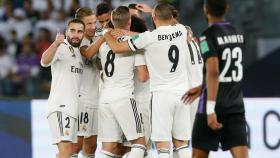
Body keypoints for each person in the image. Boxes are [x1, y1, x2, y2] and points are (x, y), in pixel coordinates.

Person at [102, 3, 193, 158]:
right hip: (183, 94)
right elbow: (177, 24)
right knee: (181, 144)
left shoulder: (148, 38)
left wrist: (105, 33)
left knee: (162, 145)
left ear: (154, 18)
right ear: (171, 17)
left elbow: (117, 48)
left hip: (161, 96)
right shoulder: (182, 30)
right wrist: (154, 11)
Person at [186, 0, 249, 157]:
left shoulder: (206, 37)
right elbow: (227, 70)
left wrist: (210, 110)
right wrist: (202, 87)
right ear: (226, 8)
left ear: (205, 9)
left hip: (212, 106)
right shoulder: (237, 33)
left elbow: (213, 71)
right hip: (235, 106)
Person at [97, 6, 148, 158]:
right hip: (124, 97)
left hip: (105, 98)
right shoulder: (134, 43)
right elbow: (143, 77)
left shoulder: (104, 44)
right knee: (140, 143)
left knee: (109, 148)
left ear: (112, 21)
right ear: (130, 21)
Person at [41, 18, 85, 158]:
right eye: (72, 31)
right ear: (66, 32)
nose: (75, 34)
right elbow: (44, 61)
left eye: (79, 31)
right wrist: (55, 44)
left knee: (69, 152)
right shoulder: (61, 47)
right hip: (61, 107)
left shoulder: (81, 52)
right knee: (66, 149)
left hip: (73, 108)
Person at [73, 7, 99, 158]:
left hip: (96, 96)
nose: (93, 27)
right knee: (76, 143)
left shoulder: (96, 38)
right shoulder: (76, 40)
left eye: (94, 23)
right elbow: (87, 53)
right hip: (81, 98)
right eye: (88, 23)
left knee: (92, 144)